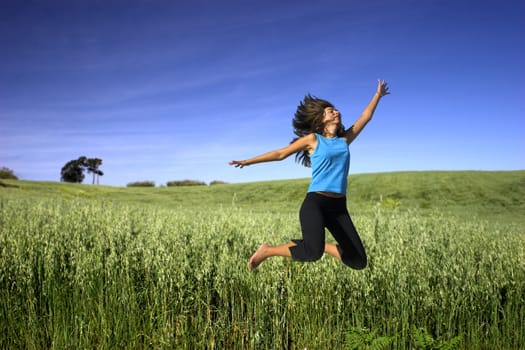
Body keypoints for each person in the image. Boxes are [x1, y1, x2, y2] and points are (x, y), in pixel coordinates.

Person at [229, 80, 389, 271]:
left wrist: (377, 95)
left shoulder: (344, 140)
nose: (336, 112)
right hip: (316, 203)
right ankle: (267, 251)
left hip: (339, 207)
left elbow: (366, 116)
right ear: (321, 119)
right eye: (331, 110)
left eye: (336, 110)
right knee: (313, 253)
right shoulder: (313, 140)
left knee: (358, 261)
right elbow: (280, 154)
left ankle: (322, 245)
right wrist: (248, 162)